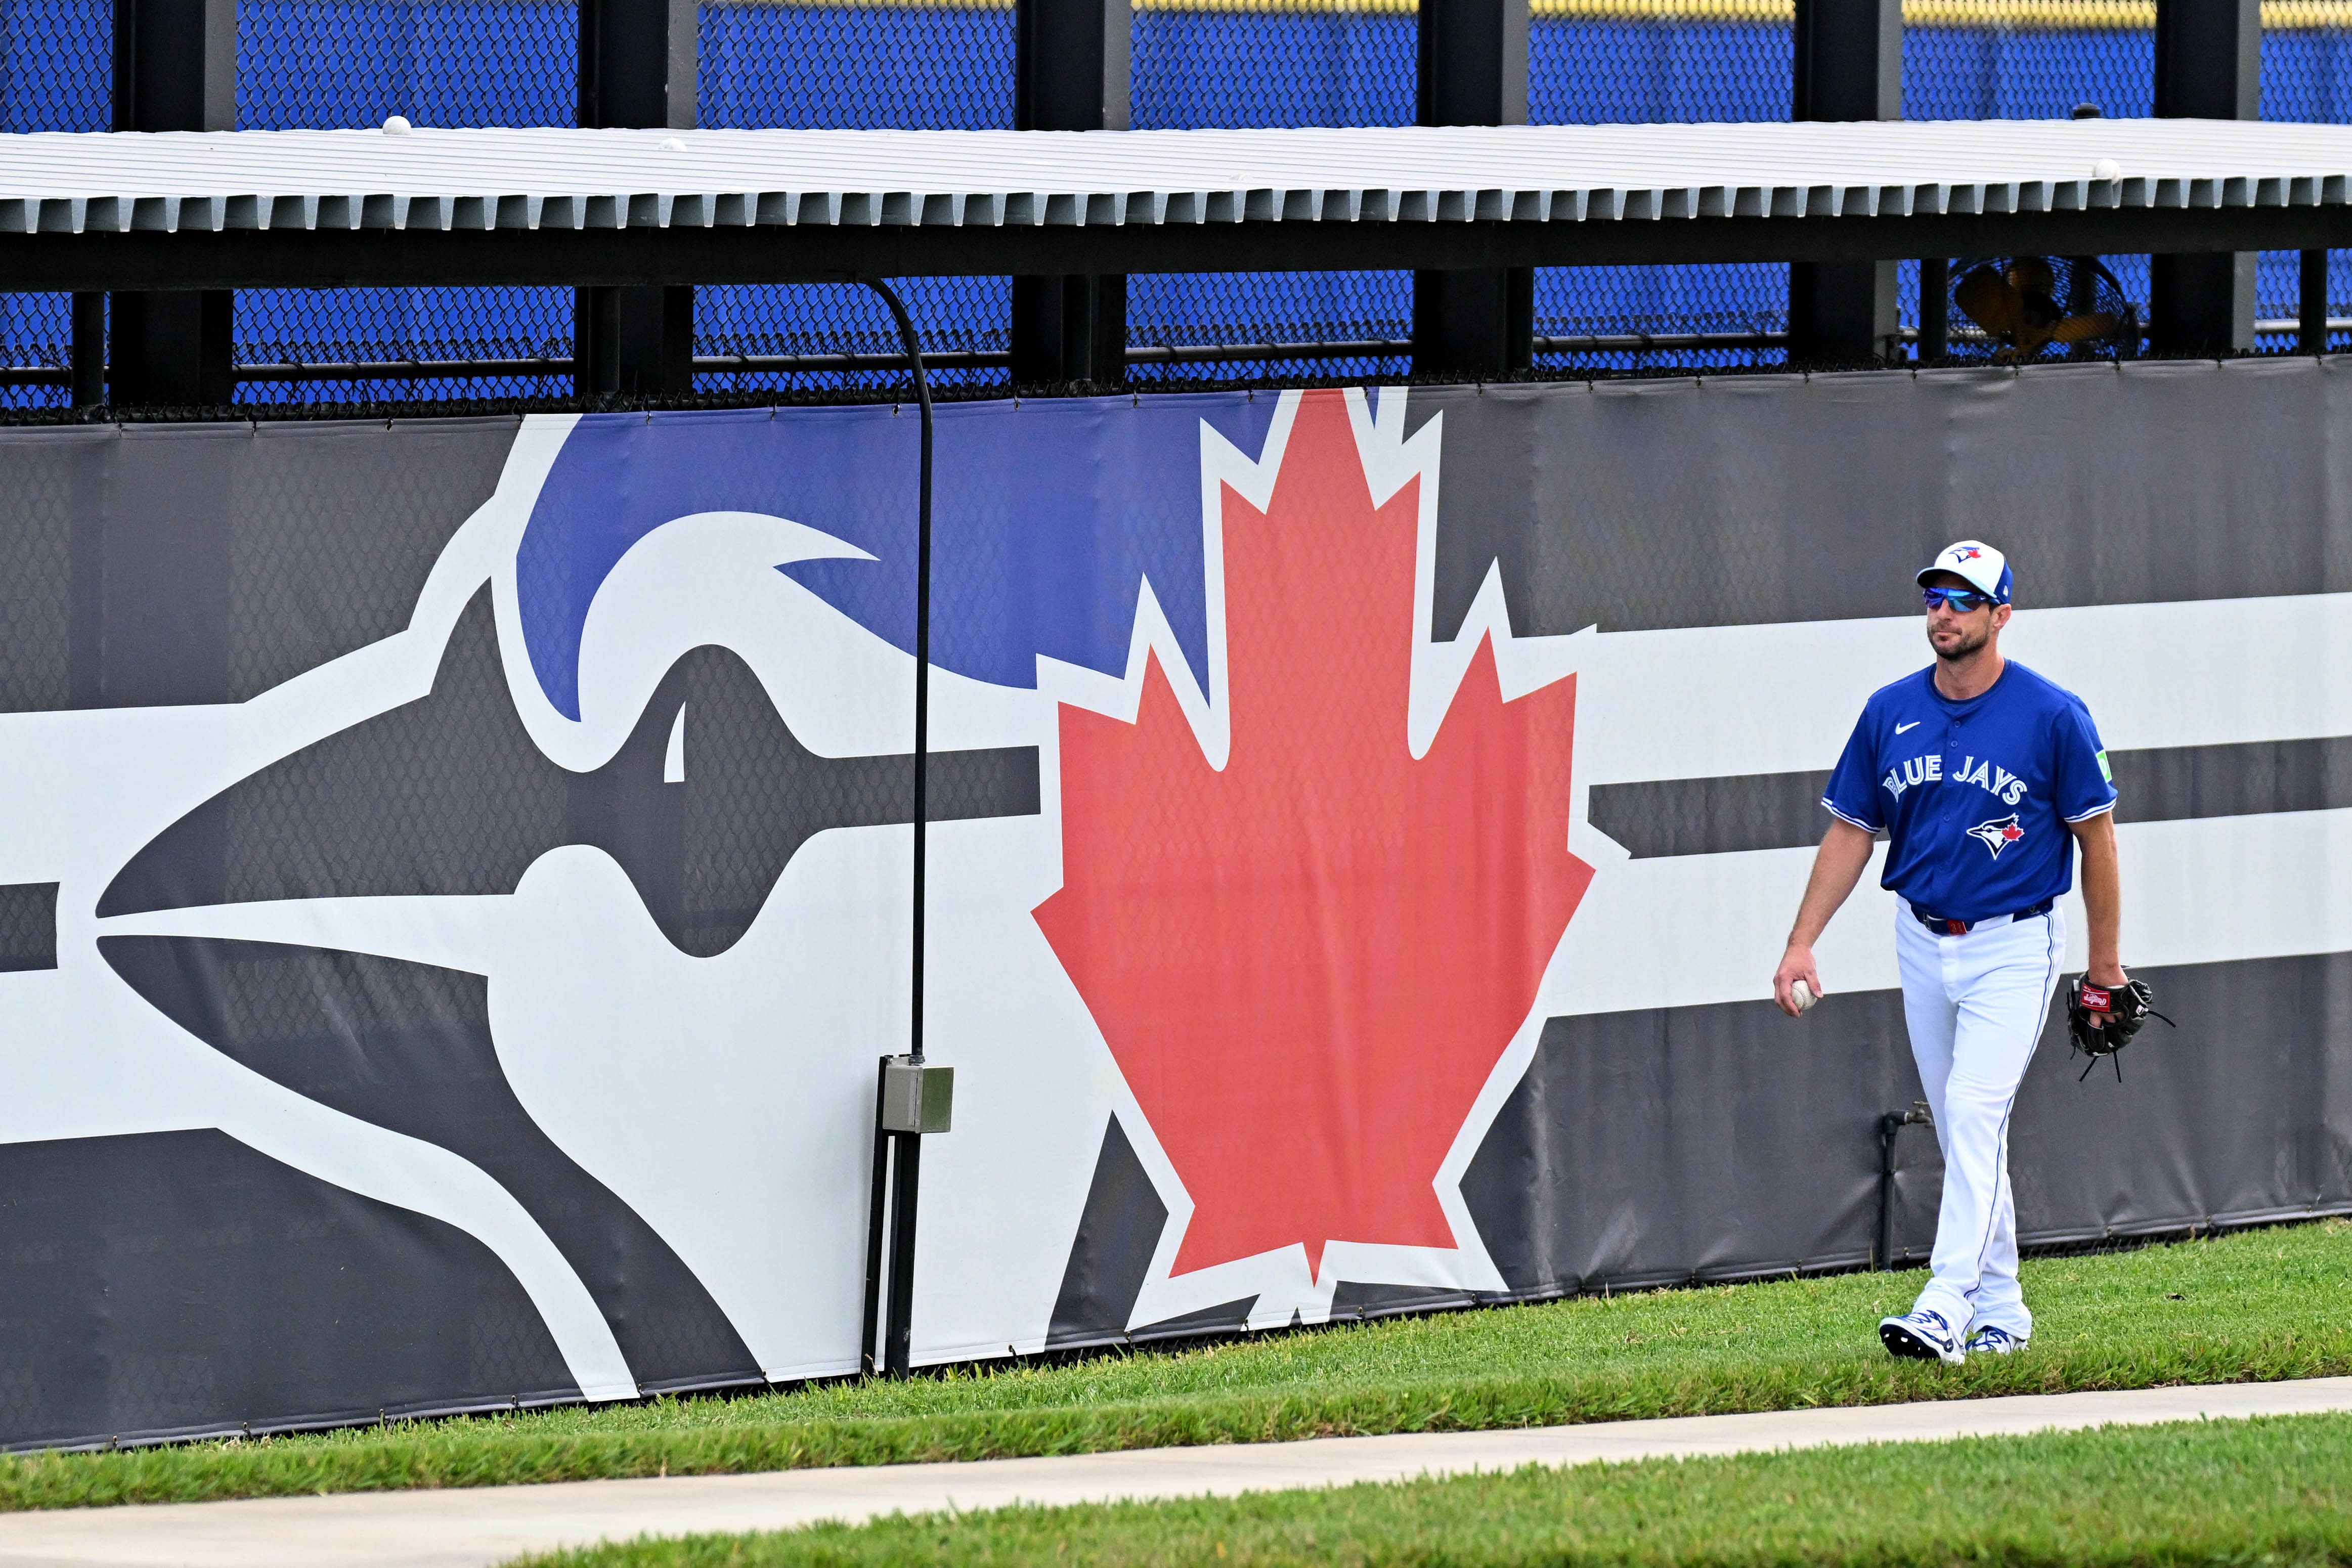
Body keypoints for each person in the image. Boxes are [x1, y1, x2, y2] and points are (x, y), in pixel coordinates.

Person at [1772, 540, 2125, 1363]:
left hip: (2014, 940)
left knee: (1971, 1110)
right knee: (1969, 1127)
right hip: (1921, 940)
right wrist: (1800, 943)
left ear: (2001, 616)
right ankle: (2003, 1307)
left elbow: (2098, 843)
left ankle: (1944, 1301)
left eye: (1964, 601)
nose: (1944, 612)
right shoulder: (1888, 709)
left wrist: (2104, 966)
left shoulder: (2052, 715)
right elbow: (1851, 832)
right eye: (1935, 597)